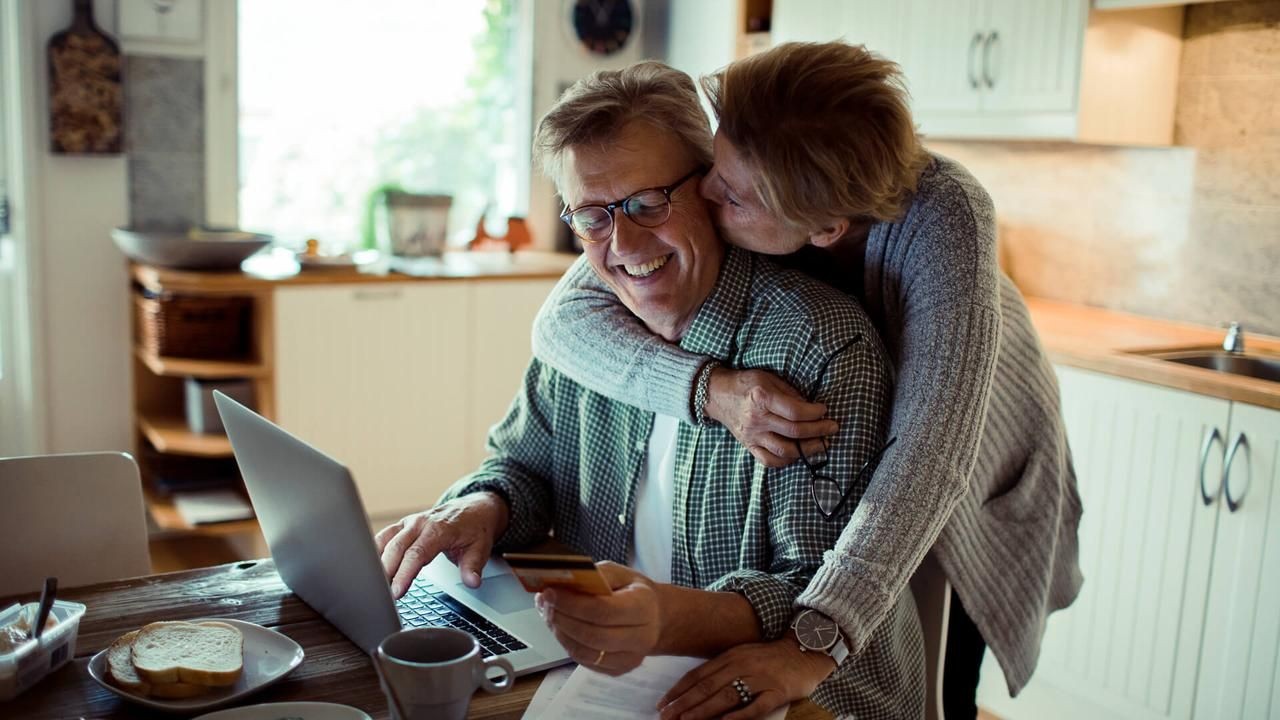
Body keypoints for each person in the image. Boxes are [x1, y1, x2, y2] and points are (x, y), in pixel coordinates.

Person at [530, 42, 1084, 720]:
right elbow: (559, 322)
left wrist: (809, 649)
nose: (702, 192)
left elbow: (930, 462)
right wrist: (715, 390)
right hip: (905, 450)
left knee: (944, 668)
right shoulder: (746, 193)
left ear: (823, 229)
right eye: (712, 166)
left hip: (977, 467)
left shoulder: (943, 221)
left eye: (727, 193)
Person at [376, 61, 924, 719]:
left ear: (714, 191)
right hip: (610, 678)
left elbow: (822, 593)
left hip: (800, 695)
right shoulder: (587, 331)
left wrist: (668, 619)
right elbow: (521, 465)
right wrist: (482, 508)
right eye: (593, 216)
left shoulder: (818, 348)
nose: (623, 243)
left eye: (647, 203)